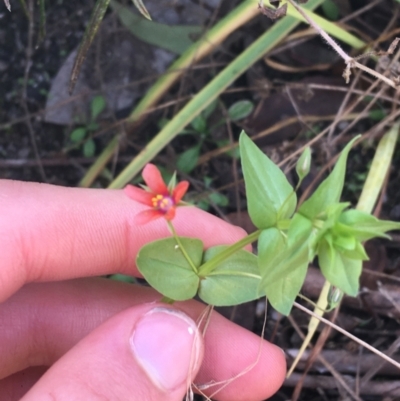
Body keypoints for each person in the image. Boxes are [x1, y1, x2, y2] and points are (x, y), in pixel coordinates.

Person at [0, 180, 286, 401]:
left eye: (166, 199)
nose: (162, 202)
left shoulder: (171, 208)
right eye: (159, 201)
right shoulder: (165, 218)